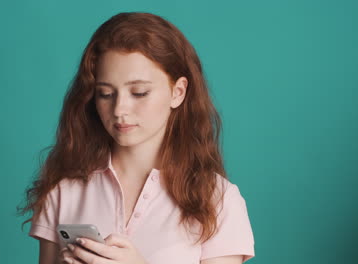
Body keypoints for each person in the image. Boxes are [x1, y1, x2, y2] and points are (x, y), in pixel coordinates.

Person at [17, 12, 255, 264]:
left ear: (178, 92)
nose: (119, 110)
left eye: (139, 93)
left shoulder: (218, 200)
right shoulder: (64, 190)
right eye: (106, 94)